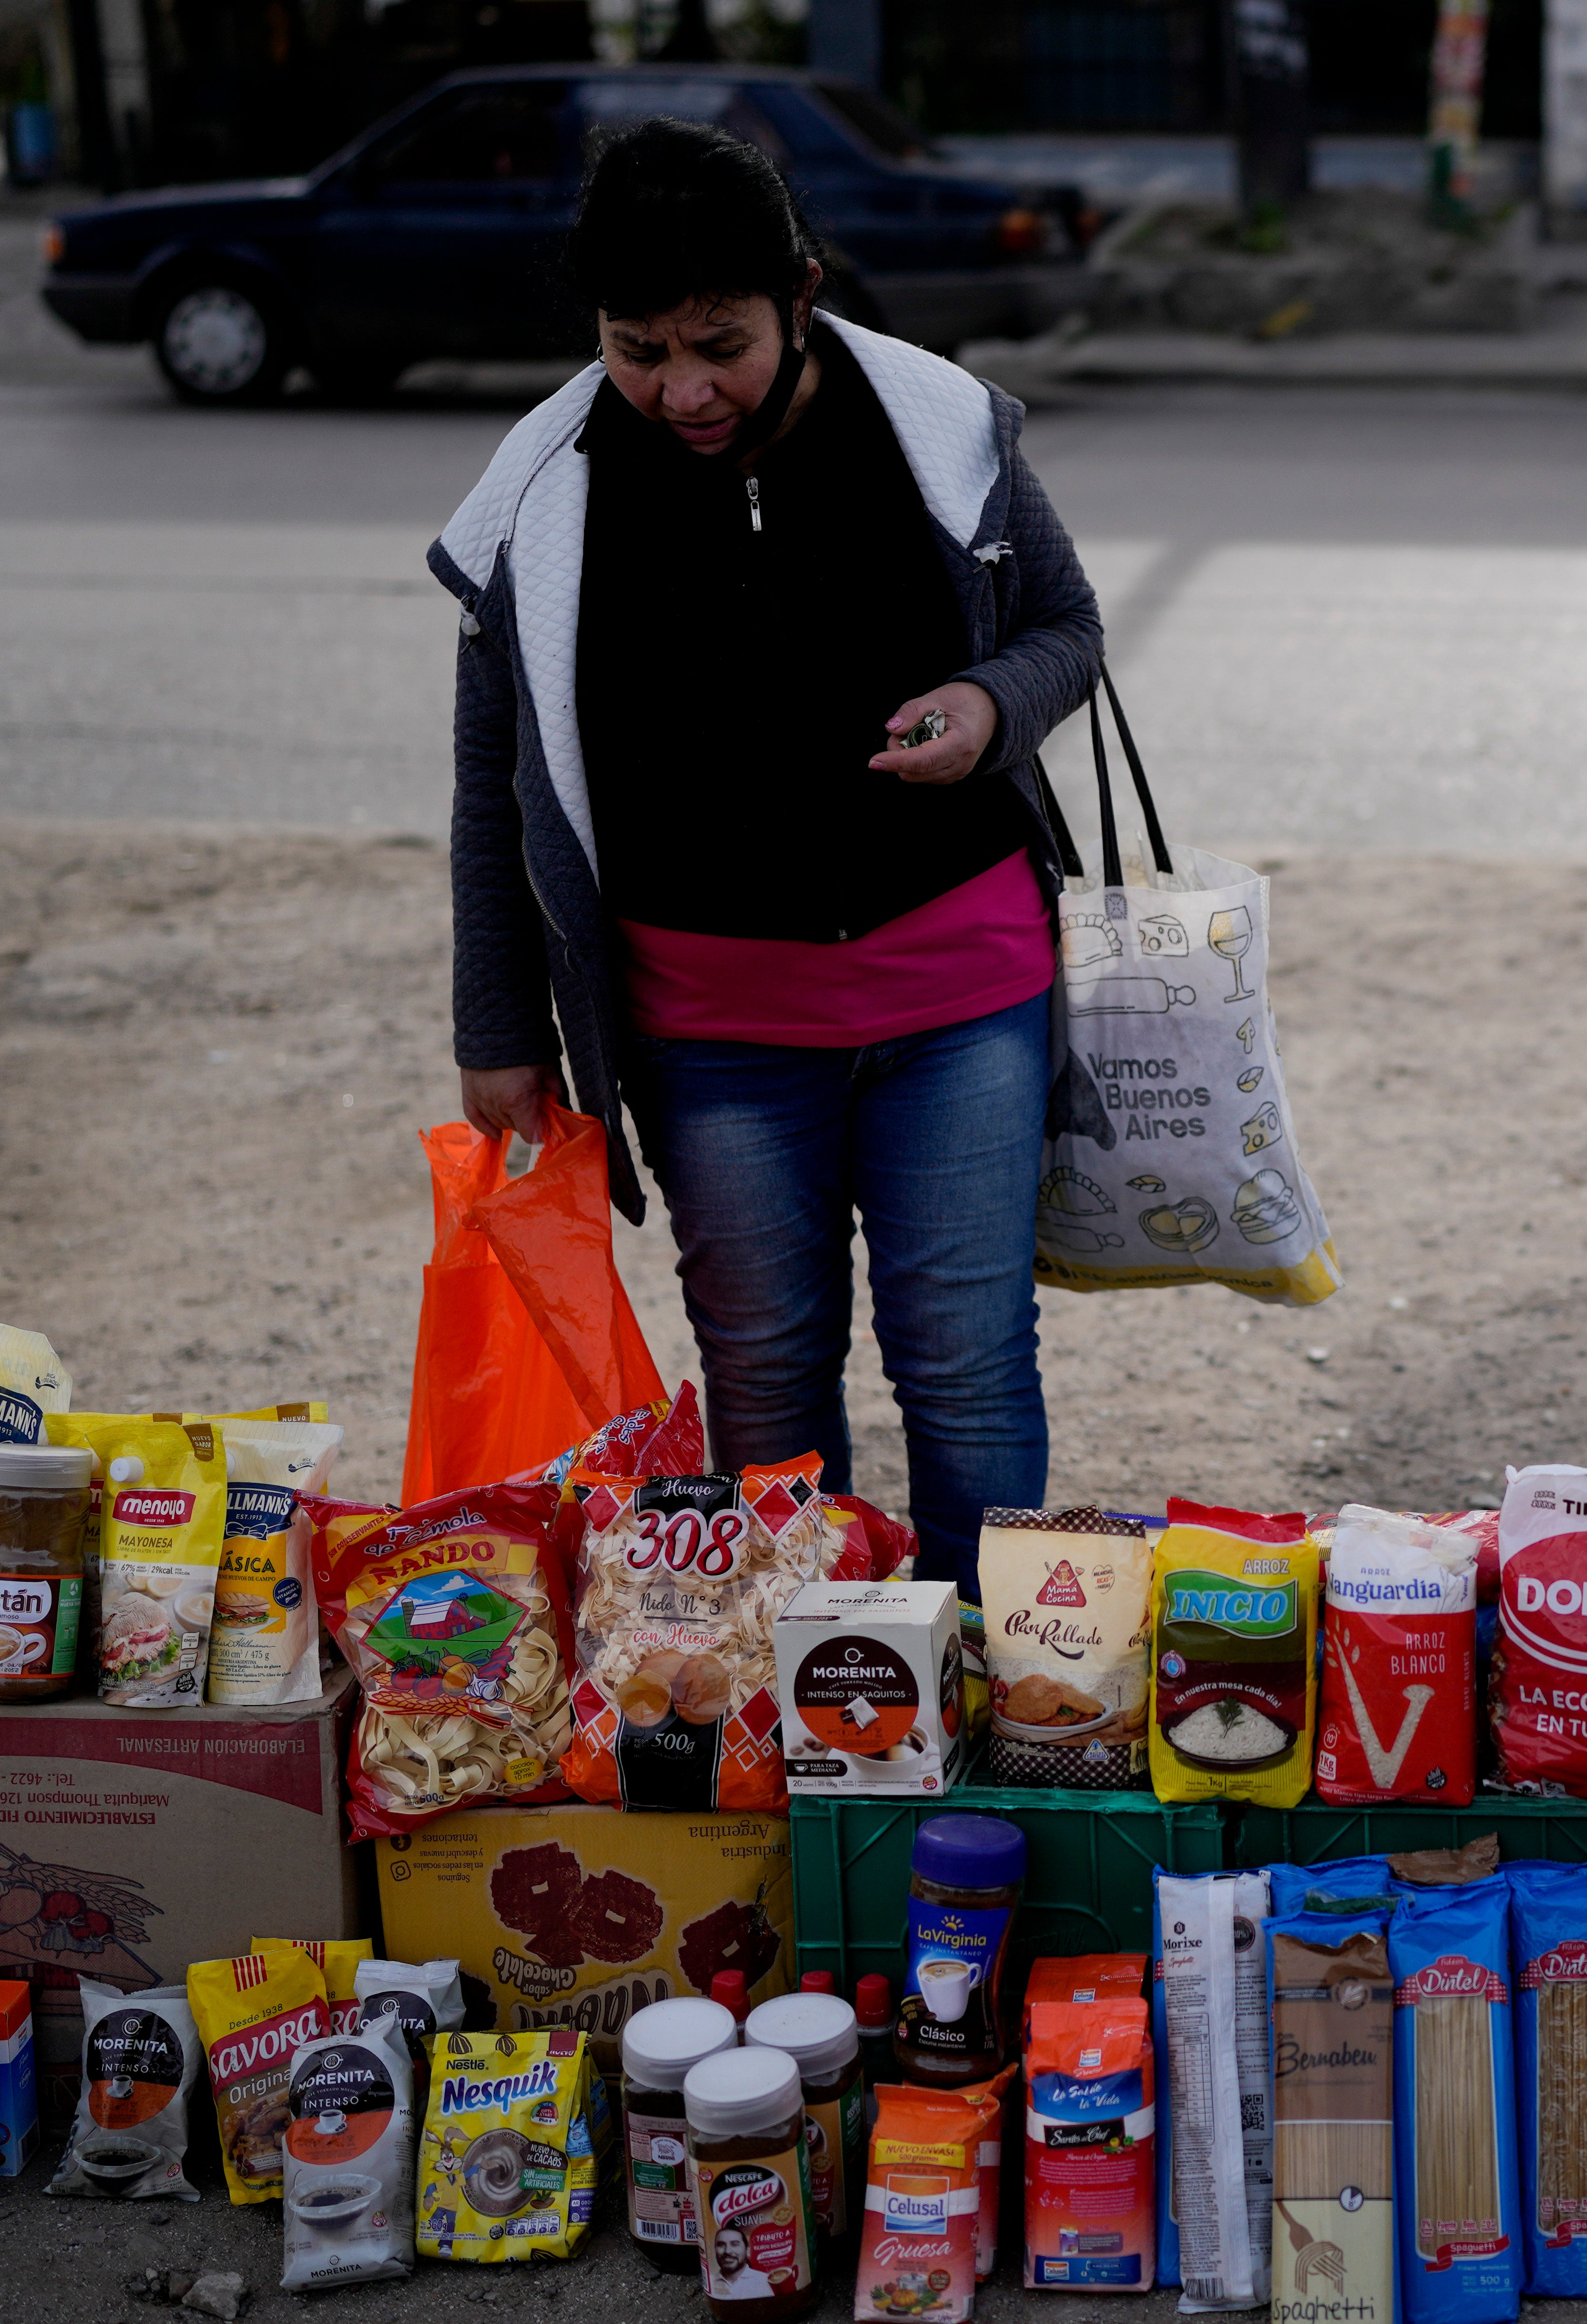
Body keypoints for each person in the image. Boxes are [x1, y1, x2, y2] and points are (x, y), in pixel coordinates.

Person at [427, 118, 1100, 1598]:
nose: (682, 390)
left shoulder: (935, 427)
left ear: (800, 295)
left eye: (719, 343)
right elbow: (496, 773)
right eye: (636, 348)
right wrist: (498, 1026)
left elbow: (1068, 628)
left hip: (960, 998)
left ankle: (992, 1698)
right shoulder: (545, 496)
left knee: (967, 1367)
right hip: (711, 1033)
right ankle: (809, 1701)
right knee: (768, 1379)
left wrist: (990, 707)